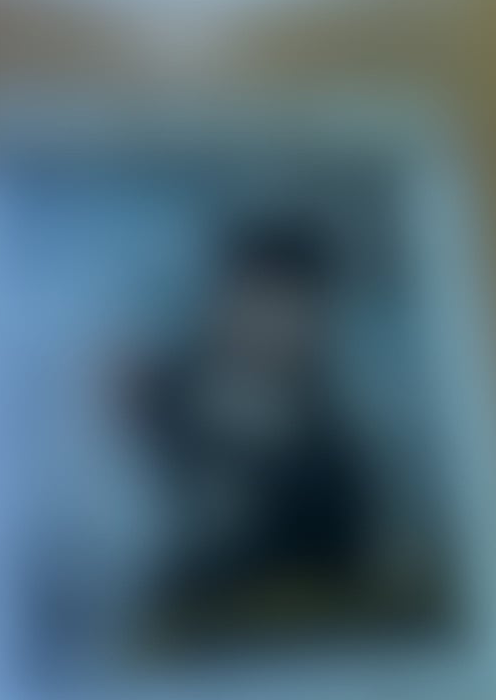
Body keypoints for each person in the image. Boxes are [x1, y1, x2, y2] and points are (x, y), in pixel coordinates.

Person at [127, 213, 379, 646]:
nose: (275, 323)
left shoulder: (334, 452)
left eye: (296, 306)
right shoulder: (153, 401)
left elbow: (345, 572)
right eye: (259, 298)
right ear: (225, 300)